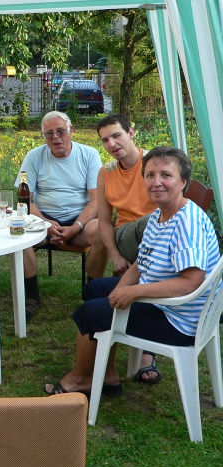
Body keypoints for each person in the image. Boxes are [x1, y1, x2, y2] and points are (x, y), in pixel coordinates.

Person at [45, 146, 220, 397]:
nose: (156, 182)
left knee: (90, 313)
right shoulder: (161, 213)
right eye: (150, 175)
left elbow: (191, 282)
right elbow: (141, 262)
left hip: (181, 319)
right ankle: (107, 372)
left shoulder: (186, 222)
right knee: (95, 290)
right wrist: (119, 294)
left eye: (166, 175)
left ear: (183, 181)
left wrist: (134, 292)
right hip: (169, 302)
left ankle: (81, 378)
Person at [15, 111, 107, 319]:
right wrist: (46, 223)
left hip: (80, 221)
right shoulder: (34, 156)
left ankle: (91, 296)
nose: (56, 138)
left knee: (102, 231)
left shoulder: (89, 154)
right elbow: (25, 200)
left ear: (71, 131)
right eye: (49, 134)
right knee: (17, 232)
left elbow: (97, 200)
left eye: (60, 131)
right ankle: (31, 296)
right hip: (42, 220)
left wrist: (76, 226)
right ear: (44, 137)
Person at [96, 115, 160, 383]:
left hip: (157, 244)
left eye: (116, 136)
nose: (111, 144)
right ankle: (146, 350)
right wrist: (115, 254)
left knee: (159, 224)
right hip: (127, 235)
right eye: (105, 140)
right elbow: (103, 220)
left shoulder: (155, 163)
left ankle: (144, 346)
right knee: (154, 222)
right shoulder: (106, 172)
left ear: (131, 132)